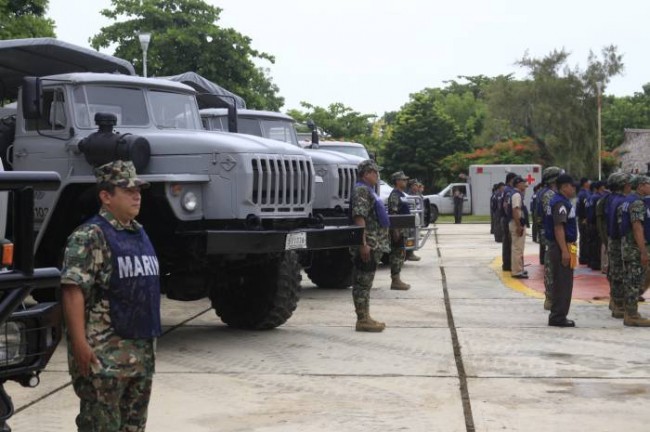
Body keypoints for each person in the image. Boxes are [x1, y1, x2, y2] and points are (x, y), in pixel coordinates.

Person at [61, 160, 161, 431]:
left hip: (139, 358)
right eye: (127, 190)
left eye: (138, 189)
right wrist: (80, 345)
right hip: (103, 360)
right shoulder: (90, 236)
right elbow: (73, 291)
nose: (136, 194)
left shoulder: (138, 233)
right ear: (105, 196)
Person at [350, 159, 391, 332]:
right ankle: (362, 320)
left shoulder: (368, 190)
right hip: (368, 243)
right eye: (375, 172)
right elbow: (359, 217)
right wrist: (363, 243)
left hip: (374, 242)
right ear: (366, 173)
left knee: (366, 283)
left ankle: (366, 316)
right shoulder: (361, 190)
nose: (377, 175)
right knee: (362, 283)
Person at [544, 174, 578, 327]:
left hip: (562, 245)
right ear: (564, 187)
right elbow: (559, 227)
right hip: (560, 247)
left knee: (563, 282)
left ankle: (558, 315)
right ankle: (558, 316)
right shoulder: (560, 203)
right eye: (572, 186)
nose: (574, 189)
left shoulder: (561, 201)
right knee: (563, 284)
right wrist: (564, 250)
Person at [619, 175, 650, 326]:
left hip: (627, 246)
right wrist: (643, 251)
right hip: (634, 248)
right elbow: (637, 227)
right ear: (640, 186)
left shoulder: (627, 200)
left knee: (630, 280)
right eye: (648, 184)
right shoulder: (637, 203)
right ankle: (632, 315)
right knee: (634, 281)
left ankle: (629, 311)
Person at [606, 172, 632, 319]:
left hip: (611, 238)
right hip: (619, 240)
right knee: (619, 274)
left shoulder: (611, 199)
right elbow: (623, 225)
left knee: (614, 271)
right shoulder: (622, 201)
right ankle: (619, 305)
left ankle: (615, 301)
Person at [539, 167, 563, 310]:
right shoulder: (549, 195)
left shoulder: (548, 193)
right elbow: (553, 217)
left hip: (549, 234)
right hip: (551, 235)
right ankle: (550, 298)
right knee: (551, 267)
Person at [387, 171, 412, 290]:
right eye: (403, 179)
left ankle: (397, 279)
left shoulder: (401, 194)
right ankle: (395, 280)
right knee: (397, 255)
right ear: (397, 181)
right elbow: (393, 213)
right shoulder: (395, 195)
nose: (405, 181)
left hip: (404, 230)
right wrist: (395, 230)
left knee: (401, 254)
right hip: (399, 231)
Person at [509, 176, 529, 278]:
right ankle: (517, 271)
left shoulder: (516, 194)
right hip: (517, 223)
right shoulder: (516, 195)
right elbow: (515, 210)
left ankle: (519, 268)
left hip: (516, 223)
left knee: (518, 248)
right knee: (517, 248)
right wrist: (519, 226)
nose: (525, 185)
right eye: (523, 183)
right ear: (518, 184)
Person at [501, 173, 517, 271]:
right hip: (507, 219)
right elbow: (506, 206)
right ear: (511, 180)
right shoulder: (508, 191)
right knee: (509, 243)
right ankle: (508, 264)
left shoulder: (505, 190)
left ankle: (507, 264)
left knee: (506, 243)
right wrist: (510, 217)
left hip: (504, 219)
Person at [405, 179, 422, 262]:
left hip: (415, 217)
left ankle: (410, 253)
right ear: (411, 186)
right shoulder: (409, 194)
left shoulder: (417, 193)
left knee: (414, 234)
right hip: (411, 217)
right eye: (415, 185)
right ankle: (409, 254)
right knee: (411, 235)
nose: (417, 186)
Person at [576, 177, 591, 265]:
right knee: (585, 238)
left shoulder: (580, 193)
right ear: (585, 183)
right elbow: (586, 207)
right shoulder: (585, 194)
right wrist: (586, 217)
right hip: (584, 219)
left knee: (583, 238)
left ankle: (582, 257)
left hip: (580, 218)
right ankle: (584, 257)